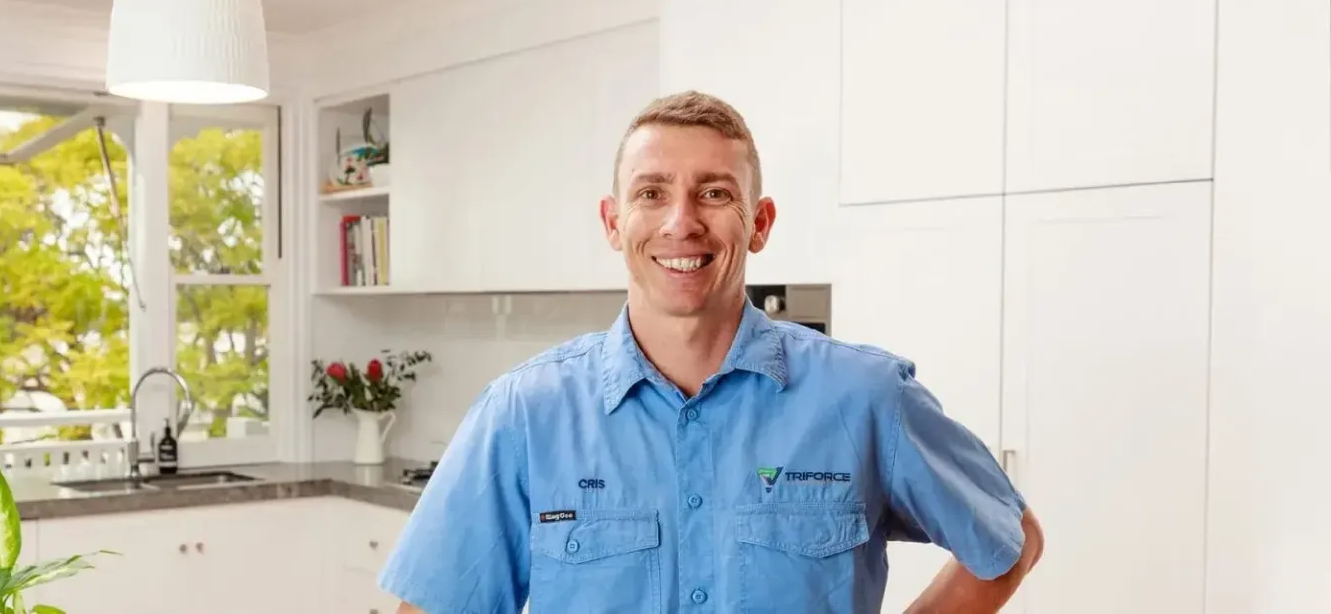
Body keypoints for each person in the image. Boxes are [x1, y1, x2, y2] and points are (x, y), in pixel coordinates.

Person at [376, 90, 1043, 614]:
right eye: (651, 192)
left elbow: (1009, 542)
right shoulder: (522, 415)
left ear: (760, 223)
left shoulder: (865, 397)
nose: (681, 221)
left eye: (715, 192)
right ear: (614, 222)